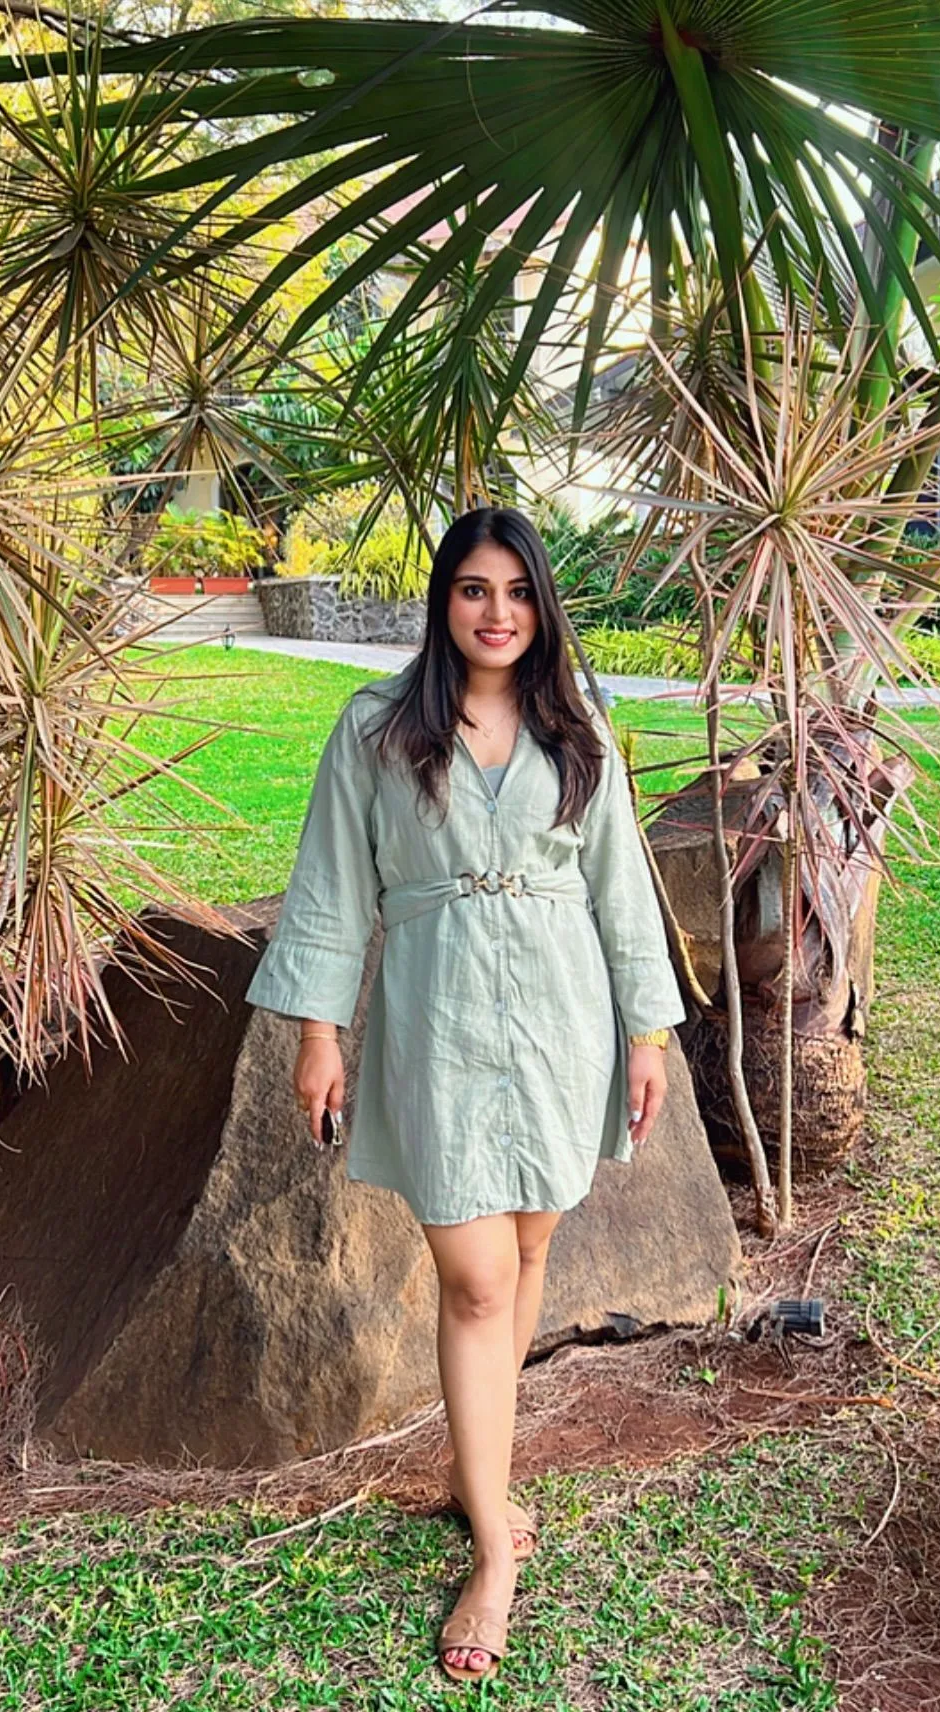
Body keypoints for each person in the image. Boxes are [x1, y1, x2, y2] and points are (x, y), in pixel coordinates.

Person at [246, 506, 686, 1683]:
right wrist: (317, 1032)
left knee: (532, 1246)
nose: (497, 611)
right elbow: (334, 888)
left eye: (519, 592)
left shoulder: (576, 727)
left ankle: (472, 1467)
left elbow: (623, 886)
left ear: (543, 606)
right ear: (443, 603)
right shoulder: (379, 730)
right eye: (474, 589)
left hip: (559, 1015)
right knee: (477, 1275)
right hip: (438, 1019)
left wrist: (647, 1031)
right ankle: (495, 1542)